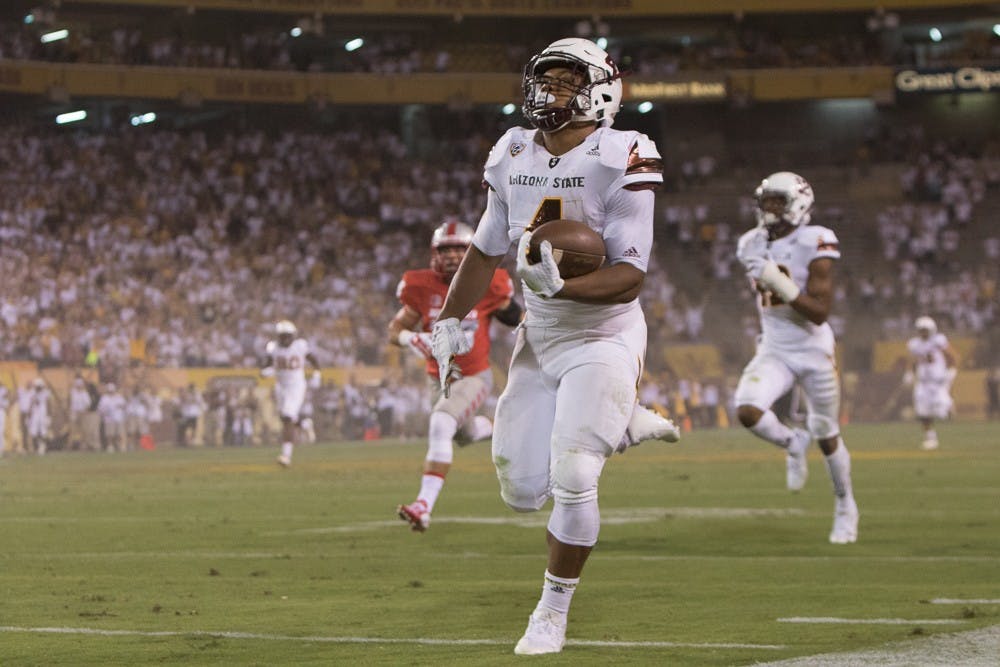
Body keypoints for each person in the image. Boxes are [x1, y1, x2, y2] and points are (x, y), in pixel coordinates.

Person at [428, 37, 678, 655]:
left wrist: (565, 283)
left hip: (604, 334)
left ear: (600, 90)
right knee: (519, 490)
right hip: (538, 338)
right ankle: (623, 425)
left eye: (566, 81)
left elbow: (631, 274)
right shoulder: (512, 150)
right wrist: (451, 320)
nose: (550, 92)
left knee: (573, 474)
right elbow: (487, 248)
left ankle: (551, 610)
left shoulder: (621, 153)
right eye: (546, 80)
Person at [734, 171, 859, 545]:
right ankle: (791, 442)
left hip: (814, 350)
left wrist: (781, 283)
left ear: (799, 204)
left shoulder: (815, 240)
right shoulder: (749, 243)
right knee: (747, 410)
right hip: (774, 348)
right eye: (766, 201)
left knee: (826, 431)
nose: (770, 209)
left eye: (778, 201)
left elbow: (820, 312)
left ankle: (845, 505)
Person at [391, 220, 520, 532]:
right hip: (439, 380)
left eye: (459, 249)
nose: (451, 256)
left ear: (471, 250)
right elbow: (395, 330)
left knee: (440, 423)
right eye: (445, 249)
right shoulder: (419, 286)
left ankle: (423, 506)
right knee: (461, 434)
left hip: (473, 376)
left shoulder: (489, 282)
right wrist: (411, 339)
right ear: (435, 253)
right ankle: (500, 427)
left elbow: (515, 317)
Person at [260, 320, 321, 467]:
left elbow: (313, 360)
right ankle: (305, 424)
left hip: (296, 386)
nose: (285, 339)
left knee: (287, 418)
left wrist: (317, 375)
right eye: (282, 336)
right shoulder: (273, 347)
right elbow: (267, 365)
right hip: (281, 387)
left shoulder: (300, 345)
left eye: (288, 336)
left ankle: (286, 456)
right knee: (286, 418)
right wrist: (265, 371)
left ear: (293, 335)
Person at [904, 316, 957, 450]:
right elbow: (911, 359)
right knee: (922, 411)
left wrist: (952, 370)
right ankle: (930, 437)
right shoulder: (915, 344)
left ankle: (949, 404)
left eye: (926, 330)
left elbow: (953, 355)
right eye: (921, 330)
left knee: (942, 412)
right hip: (923, 382)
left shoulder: (938, 341)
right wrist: (909, 373)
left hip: (938, 382)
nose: (923, 333)